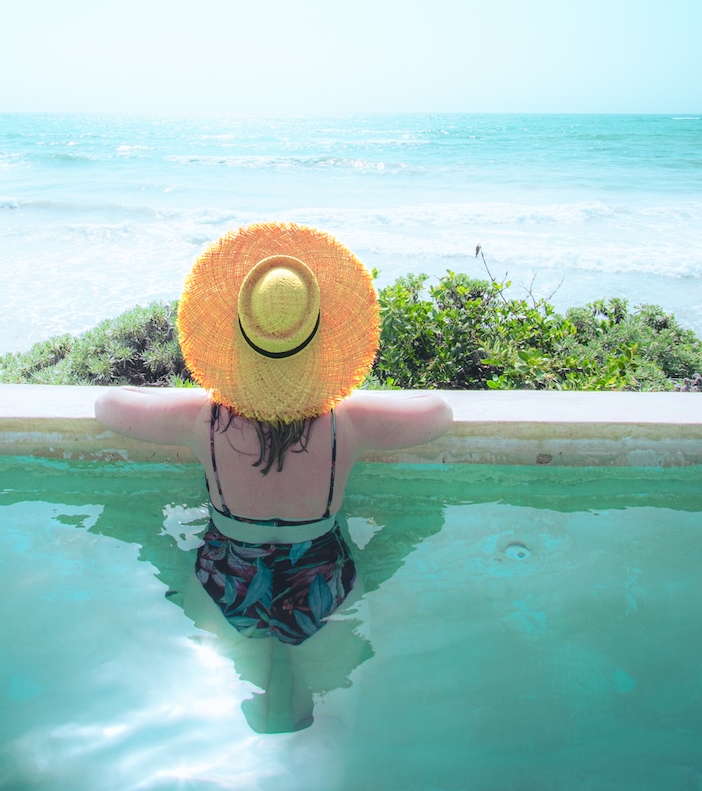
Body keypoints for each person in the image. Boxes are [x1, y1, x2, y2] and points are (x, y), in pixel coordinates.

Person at [95, 221, 452, 732]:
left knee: (238, 693)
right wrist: (343, 396)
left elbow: (108, 404)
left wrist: (203, 392)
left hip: (226, 579)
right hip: (323, 582)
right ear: (320, 344)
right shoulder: (348, 422)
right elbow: (438, 412)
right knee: (325, 713)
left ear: (238, 339)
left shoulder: (203, 418)